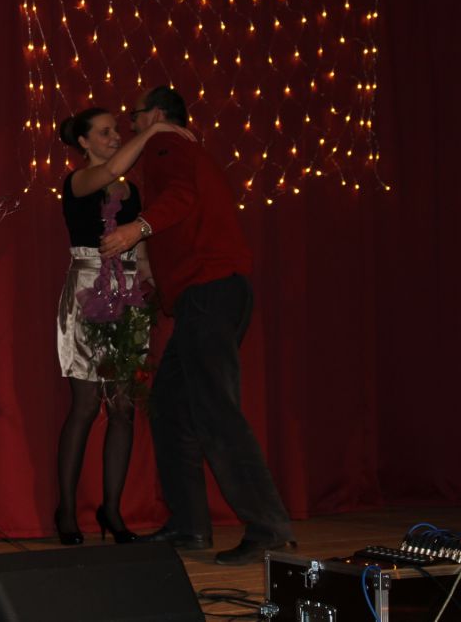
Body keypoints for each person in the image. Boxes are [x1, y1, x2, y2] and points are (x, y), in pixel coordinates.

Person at [99, 85, 296, 566]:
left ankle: (269, 528)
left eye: (135, 116)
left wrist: (135, 228)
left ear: (156, 115)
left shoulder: (166, 145)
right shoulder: (179, 149)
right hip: (207, 294)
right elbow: (188, 214)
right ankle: (189, 526)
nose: (131, 126)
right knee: (171, 406)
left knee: (214, 409)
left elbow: (181, 198)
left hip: (210, 291)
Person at [54, 108, 192, 545]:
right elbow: (111, 168)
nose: (115, 136)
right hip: (88, 290)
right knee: (84, 406)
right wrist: (154, 130)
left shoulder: (131, 190)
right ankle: (66, 509)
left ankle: (111, 509)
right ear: (83, 142)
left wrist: (155, 283)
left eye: (117, 130)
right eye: (105, 132)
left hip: (127, 293)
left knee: (123, 408)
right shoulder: (79, 180)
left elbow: (141, 248)